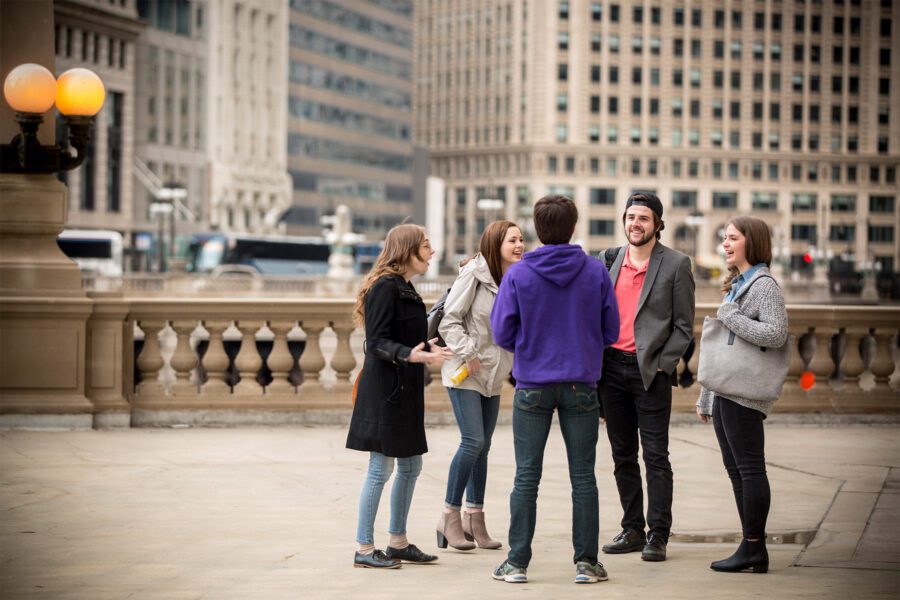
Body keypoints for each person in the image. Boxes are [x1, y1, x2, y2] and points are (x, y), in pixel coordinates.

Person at [489, 195, 620, 584]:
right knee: (584, 477)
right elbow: (611, 330)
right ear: (574, 228)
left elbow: (501, 332)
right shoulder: (595, 271)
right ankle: (586, 563)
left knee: (526, 476)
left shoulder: (518, 274)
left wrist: (531, 348)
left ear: (537, 229)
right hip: (582, 382)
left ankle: (516, 563)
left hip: (532, 384)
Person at [599, 191, 695, 562]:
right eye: (630, 217)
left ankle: (659, 533)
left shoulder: (676, 264)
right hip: (611, 371)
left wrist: (660, 365)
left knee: (656, 455)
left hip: (650, 373)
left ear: (657, 223)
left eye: (643, 218)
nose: (635, 224)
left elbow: (684, 327)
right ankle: (633, 529)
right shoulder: (608, 259)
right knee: (622, 455)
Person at [346, 224, 448, 569]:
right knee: (380, 468)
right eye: (426, 245)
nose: (432, 251)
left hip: (404, 389)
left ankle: (398, 542)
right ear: (407, 250)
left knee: (411, 464)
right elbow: (375, 342)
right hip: (386, 391)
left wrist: (424, 348)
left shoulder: (404, 286)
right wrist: (412, 355)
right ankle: (363, 547)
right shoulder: (385, 288)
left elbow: (402, 336)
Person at [696, 216, 788, 574]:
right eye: (724, 238)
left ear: (753, 242)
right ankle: (750, 544)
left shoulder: (764, 285)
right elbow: (722, 349)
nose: (726, 244)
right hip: (726, 392)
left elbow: (777, 334)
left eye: (732, 238)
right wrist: (707, 395)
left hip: (744, 394)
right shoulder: (739, 283)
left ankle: (754, 547)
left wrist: (730, 316)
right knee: (737, 472)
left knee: (749, 470)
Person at [436, 221, 524, 552]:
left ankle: (476, 516)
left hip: (494, 372)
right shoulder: (473, 273)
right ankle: (449, 515)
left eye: (521, 239)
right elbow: (449, 320)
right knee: (472, 441)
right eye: (512, 240)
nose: (519, 245)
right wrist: (469, 353)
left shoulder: (513, 279)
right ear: (494, 243)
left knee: (484, 446)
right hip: (466, 370)